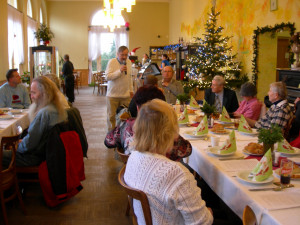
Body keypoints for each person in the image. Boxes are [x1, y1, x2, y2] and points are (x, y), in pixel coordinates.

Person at [124, 99, 213, 225]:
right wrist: (209, 214)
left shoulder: (133, 157)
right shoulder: (177, 174)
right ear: (169, 132)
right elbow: (201, 223)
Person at [105, 85, 192, 161]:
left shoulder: (127, 125)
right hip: (163, 176)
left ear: (138, 108)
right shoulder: (168, 132)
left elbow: (108, 142)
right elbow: (187, 151)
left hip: (131, 174)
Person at [2, 76, 68, 167]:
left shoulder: (44, 113)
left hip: (34, 157)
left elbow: (30, 144)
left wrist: (16, 146)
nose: (31, 96)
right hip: (45, 153)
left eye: (33, 93)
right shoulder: (55, 107)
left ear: (44, 93)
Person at [106, 46, 133, 131]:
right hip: (112, 95)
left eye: (126, 55)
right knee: (111, 117)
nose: (124, 57)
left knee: (125, 116)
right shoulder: (112, 62)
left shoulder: (129, 62)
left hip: (125, 95)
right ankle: (111, 135)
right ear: (117, 54)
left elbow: (130, 78)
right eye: (122, 55)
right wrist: (120, 71)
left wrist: (131, 90)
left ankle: (122, 134)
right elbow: (108, 77)